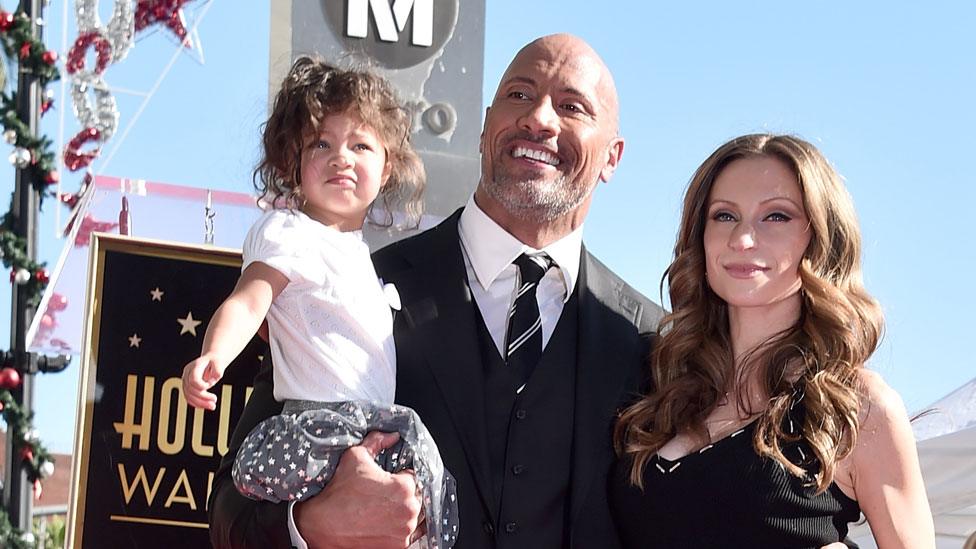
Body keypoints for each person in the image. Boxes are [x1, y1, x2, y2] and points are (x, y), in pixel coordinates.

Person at [208, 34, 666, 549]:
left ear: (613, 157)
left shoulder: (650, 342)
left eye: (571, 106)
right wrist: (311, 525)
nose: (539, 118)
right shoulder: (354, 289)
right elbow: (232, 512)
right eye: (519, 94)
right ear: (484, 126)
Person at [182, 57, 456, 548]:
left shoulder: (367, 263)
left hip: (376, 432)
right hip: (317, 431)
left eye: (360, 145)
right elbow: (247, 303)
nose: (341, 158)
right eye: (321, 144)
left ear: (386, 165)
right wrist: (213, 356)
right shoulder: (287, 233)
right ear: (293, 160)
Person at [611, 134, 935, 548]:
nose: (742, 239)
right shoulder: (660, 384)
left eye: (776, 217)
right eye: (724, 216)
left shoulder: (858, 407)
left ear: (820, 238)